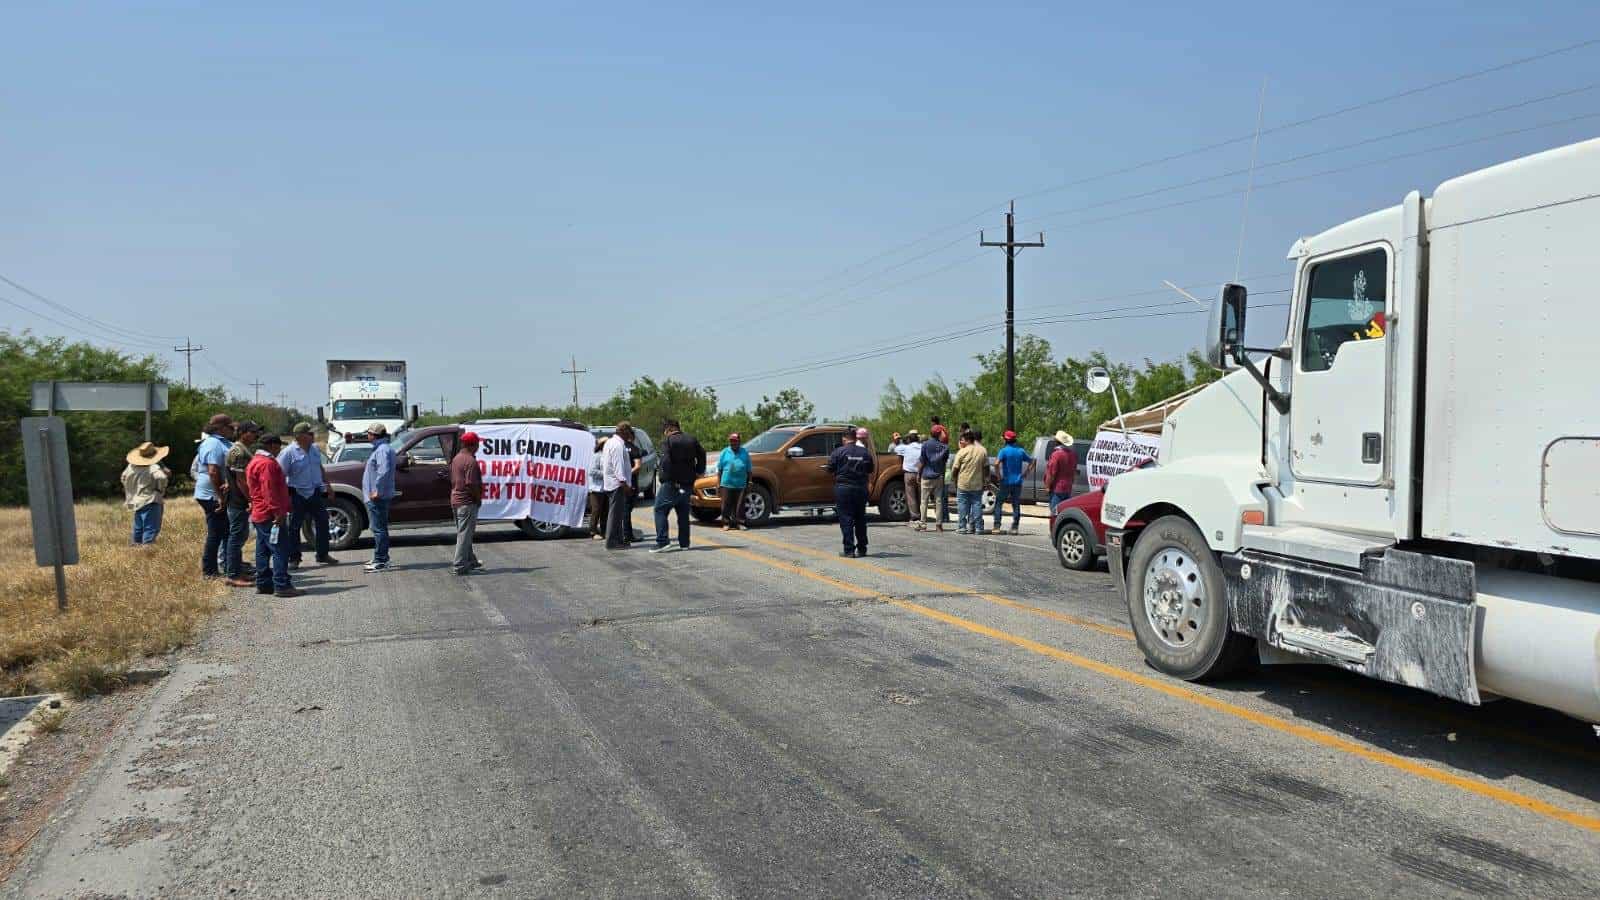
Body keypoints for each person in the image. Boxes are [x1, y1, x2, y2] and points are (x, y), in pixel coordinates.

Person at [246, 433, 301, 597]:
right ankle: (282, 585)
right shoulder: (267, 464)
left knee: (262, 550)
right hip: (270, 514)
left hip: (259, 512)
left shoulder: (254, 461)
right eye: (278, 446)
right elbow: (269, 489)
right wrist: (277, 512)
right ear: (271, 446)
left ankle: (264, 583)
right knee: (280, 549)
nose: (279, 450)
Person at [279, 422, 338, 569]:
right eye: (309, 433)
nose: (313, 436)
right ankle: (294, 558)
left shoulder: (315, 449)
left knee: (323, 521)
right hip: (296, 493)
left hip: (315, 492)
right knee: (294, 527)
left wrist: (328, 486)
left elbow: (320, 467)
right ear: (300, 436)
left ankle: (322, 554)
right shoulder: (288, 452)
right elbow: (279, 475)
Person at [651, 419, 706, 554]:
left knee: (660, 509)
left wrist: (670, 477)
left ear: (669, 429)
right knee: (682, 513)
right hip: (688, 483)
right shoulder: (691, 439)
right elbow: (702, 454)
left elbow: (665, 461)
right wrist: (699, 471)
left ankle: (662, 542)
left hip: (672, 483)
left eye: (665, 431)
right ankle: (684, 543)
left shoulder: (668, 441)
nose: (665, 434)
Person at [192, 414, 234, 578]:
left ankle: (227, 564)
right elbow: (213, 471)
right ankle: (209, 570)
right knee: (216, 532)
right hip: (211, 495)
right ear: (221, 428)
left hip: (215, 493)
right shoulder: (213, 444)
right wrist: (220, 497)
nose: (233, 430)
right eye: (230, 427)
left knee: (225, 531)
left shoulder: (220, 442)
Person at [825, 427, 876, 557]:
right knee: (860, 518)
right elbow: (870, 469)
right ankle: (862, 549)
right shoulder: (865, 452)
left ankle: (849, 550)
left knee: (846, 519)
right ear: (855, 438)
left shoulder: (838, 452)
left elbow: (830, 468)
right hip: (860, 488)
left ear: (844, 439)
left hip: (844, 489)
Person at [222, 421, 261, 587]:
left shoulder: (242, 449)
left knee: (240, 536)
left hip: (238, 500)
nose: (255, 436)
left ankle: (239, 571)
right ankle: (233, 575)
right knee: (236, 538)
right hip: (238, 501)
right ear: (243, 432)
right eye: (253, 432)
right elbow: (241, 480)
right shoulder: (238, 451)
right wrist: (251, 499)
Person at [362, 422, 397, 572]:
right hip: (377, 496)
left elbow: (384, 471)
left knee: (379, 529)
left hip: (378, 497)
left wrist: (377, 490)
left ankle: (381, 560)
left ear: (374, 435)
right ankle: (382, 557)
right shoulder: (382, 449)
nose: (367, 436)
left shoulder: (382, 450)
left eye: (368, 433)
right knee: (379, 527)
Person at [450, 431, 485, 575]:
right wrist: (478, 498)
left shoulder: (457, 458)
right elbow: (471, 484)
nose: (478, 446)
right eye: (477, 444)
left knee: (465, 533)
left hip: (456, 500)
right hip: (467, 502)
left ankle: (470, 561)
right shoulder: (470, 461)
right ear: (473, 445)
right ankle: (459, 566)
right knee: (464, 535)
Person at [122, 441, 170, 545]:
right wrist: (159, 489)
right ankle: (147, 549)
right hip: (150, 500)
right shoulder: (152, 467)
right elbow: (162, 477)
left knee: (138, 526)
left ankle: (136, 547)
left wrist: (130, 489)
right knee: (150, 527)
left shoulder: (130, 467)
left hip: (134, 501)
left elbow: (123, 477)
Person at [992, 429, 1035, 535]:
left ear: (1006, 440)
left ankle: (997, 526)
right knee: (1016, 504)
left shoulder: (1004, 451)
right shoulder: (1021, 451)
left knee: (998, 503)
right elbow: (1033, 461)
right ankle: (1015, 527)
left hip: (1006, 482)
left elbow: (996, 464)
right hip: (1017, 482)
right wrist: (1026, 473)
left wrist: (999, 476)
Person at [602, 422, 636, 549]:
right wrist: (624, 484)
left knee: (618, 514)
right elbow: (618, 467)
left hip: (613, 483)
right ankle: (611, 542)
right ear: (624, 432)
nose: (630, 435)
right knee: (615, 515)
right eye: (629, 432)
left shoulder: (611, 442)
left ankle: (619, 540)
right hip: (617, 485)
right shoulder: (617, 445)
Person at [952, 428, 988, 534]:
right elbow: (986, 467)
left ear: (967, 440)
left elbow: (955, 468)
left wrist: (954, 479)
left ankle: (962, 527)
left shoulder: (962, 452)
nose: (961, 442)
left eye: (963, 440)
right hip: (977, 484)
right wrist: (986, 480)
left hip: (963, 483)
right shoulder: (982, 451)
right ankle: (978, 528)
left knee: (962, 505)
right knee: (977, 505)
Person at [717, 432, 752, 530]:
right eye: (731, 441)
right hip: (727, 483)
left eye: (735, 441)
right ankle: (726, 523)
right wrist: (718, 484)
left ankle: (740, 523)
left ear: (739, 442)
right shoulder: (725, 452)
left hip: (740, 484)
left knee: (740, 505)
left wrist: (749, 482)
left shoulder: (744, 452)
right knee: (726, 505)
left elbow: (749, 469)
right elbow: (720, 469)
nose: (733, 443)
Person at [918, 425, 950, 532]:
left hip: (926, 476)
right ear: (939, 434)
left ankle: (923, 524)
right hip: (939, 476)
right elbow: (944, 463)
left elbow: (922, 461)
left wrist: (919, 474)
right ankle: (938, 525)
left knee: (924, 501)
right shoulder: (944, 447)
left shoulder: (925, 445)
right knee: (938, 501)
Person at [1045, 430, 1079, 515]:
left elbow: (1051, 473)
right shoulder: (1073, 454)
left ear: (1057, 442)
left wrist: (1047, 486)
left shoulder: (1056, 454)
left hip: (1057, 488)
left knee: (1055, 512)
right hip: (1068, 487)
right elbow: (1073, 471)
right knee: (1064, 512)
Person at [894, 430, 922, 530]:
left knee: (911, 496)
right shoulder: (922, 447)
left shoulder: (904, 448)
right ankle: (922, 516)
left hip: (909, 474)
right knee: (921, 496)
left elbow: (896, 449)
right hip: (920, 474)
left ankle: (914, 517)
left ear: (909, 439)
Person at [587, 436, 609, 540]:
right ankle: (593, 531)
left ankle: (604, 531)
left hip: (606, 488)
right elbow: (591, 471)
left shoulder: (608, 456)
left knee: (605, 511)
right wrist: (605, 474)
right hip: (596, 488)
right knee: (596, 510)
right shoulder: (596, 456)